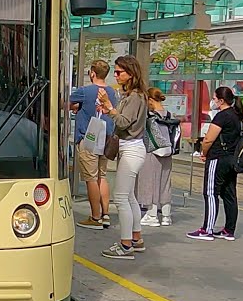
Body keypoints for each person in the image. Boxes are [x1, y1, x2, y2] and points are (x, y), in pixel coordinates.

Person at [96, 56, 150, 260]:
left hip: (131, 149)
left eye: (120, 72)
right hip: (132, 148)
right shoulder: (135, 95)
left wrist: (109, 107)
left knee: (120, 197)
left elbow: (124, 122)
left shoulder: (135, 96)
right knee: (129, 197)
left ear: (131, 73)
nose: (116, 75)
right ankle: (136, 238)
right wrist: (111, 109)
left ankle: (126, 244)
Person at [188, 86, 243, 241]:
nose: (212, 101)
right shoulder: (237, 115)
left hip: (218, 158)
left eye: (214, 98)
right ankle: (229, 230)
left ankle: (207, 229)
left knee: (211, 193)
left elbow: (208, 139)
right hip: (231, 159)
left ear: (221, 100)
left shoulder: (221, 116)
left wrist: (204, 152)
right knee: (229, 194)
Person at [71, 60, 119, 229]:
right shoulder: (112, 92)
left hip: (88, 137)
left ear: (92, 73)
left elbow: (66, 103)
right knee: (102, 176)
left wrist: (76, 107)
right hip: (106, 137)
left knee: (90, 178)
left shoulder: (84, 91)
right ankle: (105, 214)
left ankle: (95, 217)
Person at [138, 87, 175, 228]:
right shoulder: (169, 114)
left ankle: (152, 215)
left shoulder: (149, 116)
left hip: (152, 151)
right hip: (168, 151)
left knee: (150, 182)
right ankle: (166, 216)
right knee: (165, 183)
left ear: (151, 100)